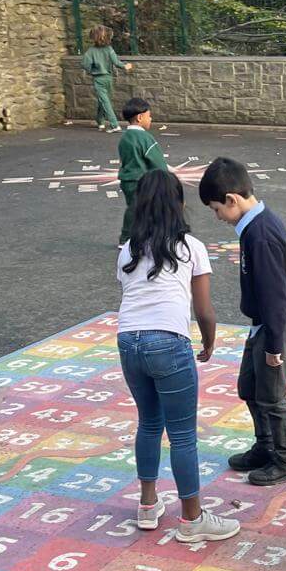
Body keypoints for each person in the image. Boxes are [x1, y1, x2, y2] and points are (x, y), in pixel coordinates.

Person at [116, 169, 240, 544]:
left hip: (128, 341)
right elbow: (204, 310)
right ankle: (192, 518)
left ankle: (147, 504)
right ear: (179, 204)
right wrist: (209, 342)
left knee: (149, 423)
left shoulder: (127, 249)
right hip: (168, 341)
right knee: (183, 435)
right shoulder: (190, 247)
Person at [199, 156, 286, 487]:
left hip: (276, 325)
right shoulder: (252, 227)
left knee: (272, 395)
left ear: (232, 199)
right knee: (249, 387)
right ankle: (267, 445)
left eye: (216, 209)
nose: (217, 216)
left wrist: (273, 346)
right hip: (263, 323)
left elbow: (275, 296)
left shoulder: (261, 235)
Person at [117, 98, 169, 245]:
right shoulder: (145, 138)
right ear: (140, 117)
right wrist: (166, 176)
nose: (151, 119)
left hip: (127, 179)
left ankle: (142, 235)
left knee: (136, 208)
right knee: (138, 209)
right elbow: (157, 161)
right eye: (149, 116)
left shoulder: (125, 137)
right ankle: (126, 238)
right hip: (141, 181)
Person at [80, 23, 133, 131]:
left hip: (98, 79)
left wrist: (92, 70)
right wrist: (125, 66)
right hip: (108, 78)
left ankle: (100, 121)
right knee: (105, 101)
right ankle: (114, 125)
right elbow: (116, 62)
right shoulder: (109, 49)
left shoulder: (90, 51)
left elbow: (85, 65)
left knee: (104, 101)